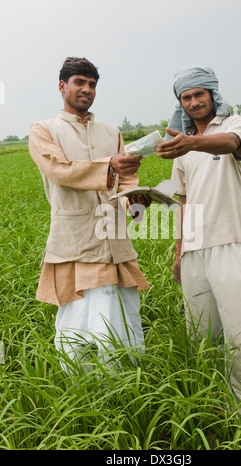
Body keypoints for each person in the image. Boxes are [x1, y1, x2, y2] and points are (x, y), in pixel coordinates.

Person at [157, 65, 241, 406]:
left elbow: (229, 144)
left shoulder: (233, 125)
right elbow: (183, 199)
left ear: (212, 95)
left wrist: (190, 143)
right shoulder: (181, 147)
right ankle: (212, 404)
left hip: (231, 243)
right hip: (195, 251)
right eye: (186, 97)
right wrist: (180, 252)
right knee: (201, 335)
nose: (194, 102)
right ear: (180, 103)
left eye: (199, 94)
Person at [29, 57, 150, 373]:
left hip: (115, 240)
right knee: (78, 321)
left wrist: (134, 201)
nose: (86, 89)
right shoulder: (44, 130)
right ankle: (84, 391)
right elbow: (60, 171)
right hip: (76, 240)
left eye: (92, 84)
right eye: (79, 82)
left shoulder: (111, 131)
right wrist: (109, 166)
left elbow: (125, 180)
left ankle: (129, 384)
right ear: (62, 86)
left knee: (124, 314)